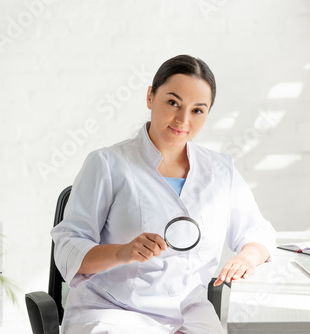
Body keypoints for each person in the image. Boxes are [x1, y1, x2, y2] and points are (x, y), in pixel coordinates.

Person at [51, 54, 276, 334]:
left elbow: (258, 231)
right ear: (150, 97)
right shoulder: (107, 164)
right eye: (173, 102)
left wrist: (248, 256)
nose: (183, 119)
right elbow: (68, 246)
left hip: (190, 312)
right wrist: (122, 252)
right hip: (113, 310)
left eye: (197, 110)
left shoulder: (220, 170)